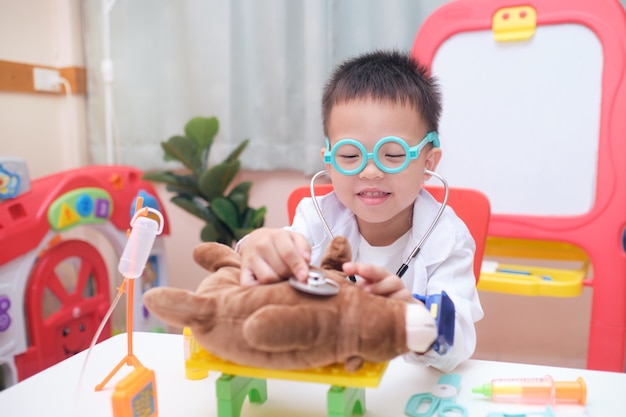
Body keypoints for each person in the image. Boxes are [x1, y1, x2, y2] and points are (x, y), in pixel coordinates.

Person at [236, 50, 483, 372]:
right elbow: (275, 259)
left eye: (392, 154)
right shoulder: (315, 217)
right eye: (350, 156)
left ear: (428, 163)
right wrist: (254, 245)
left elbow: (459, 339)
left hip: (406, 387)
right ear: (329, 160)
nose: (369, 171)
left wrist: (412, 319)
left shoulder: (447, 240)